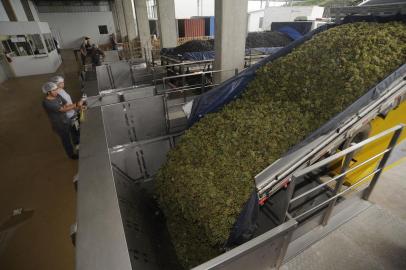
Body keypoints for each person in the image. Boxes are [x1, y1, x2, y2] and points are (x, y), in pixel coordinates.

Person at [42, 82, 83, 160]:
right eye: (54, 90)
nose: (56, 91)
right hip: (59, 124)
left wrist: (76, 108)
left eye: (56, 89)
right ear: (48, 92)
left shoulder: (57, 96)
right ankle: (71, 154)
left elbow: (65, 105)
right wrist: (77, 104)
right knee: (66, 139)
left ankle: (77, 145)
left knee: (74, 132)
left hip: (66, 120)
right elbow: (62, 109)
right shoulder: (47, 103)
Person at [49, 75, 80, 144]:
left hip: (73, 114)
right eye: (61, 82)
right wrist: (77, 105)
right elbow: (64, 108)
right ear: (57, 84)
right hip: (69, 117)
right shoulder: (57, 95)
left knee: (77, 132)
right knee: (75, 135)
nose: (63, 83)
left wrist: (76, 108)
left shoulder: (62, 90)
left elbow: (68, 103)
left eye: (63, 82)